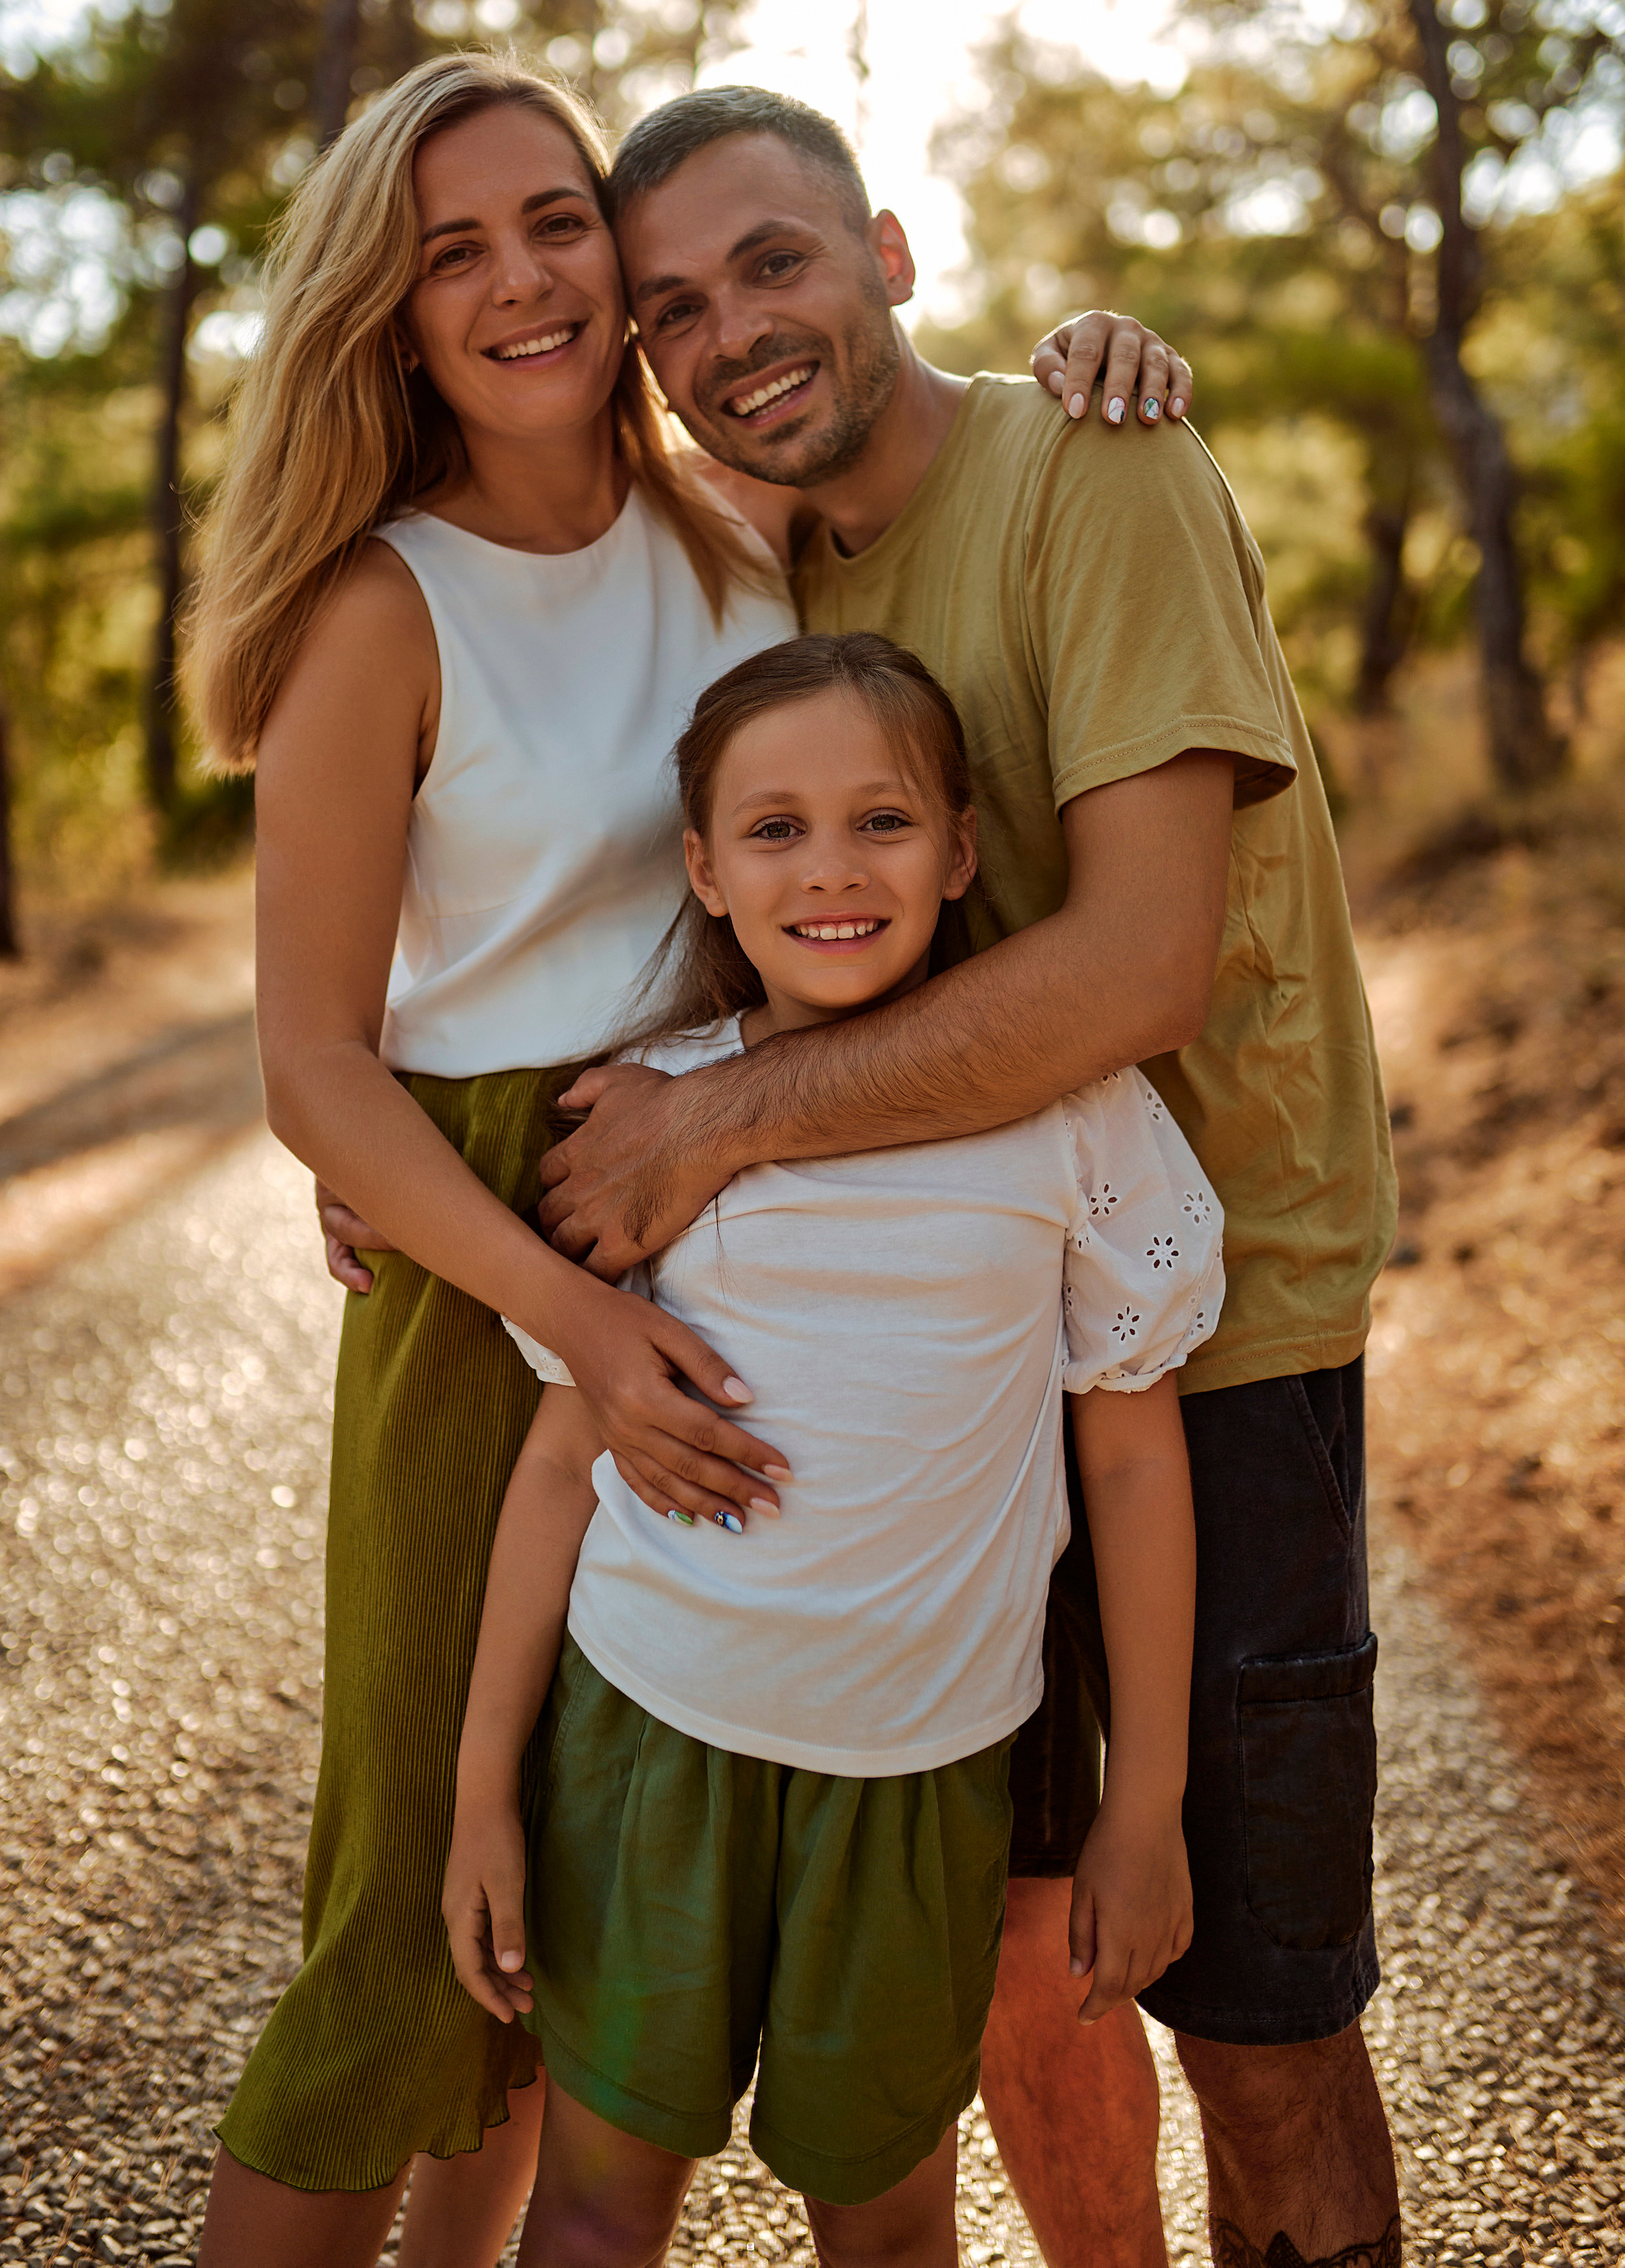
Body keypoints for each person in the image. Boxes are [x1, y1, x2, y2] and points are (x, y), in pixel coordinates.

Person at [185, 46, 1182, 2268]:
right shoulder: (383, 608)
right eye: (457, 251)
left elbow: (925, 503)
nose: (527, 281)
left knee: (534, 1973)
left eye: (560, 228)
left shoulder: (733, 536)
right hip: (503, 1268)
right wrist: (566, 1308)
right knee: (392, 1946)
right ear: (392, 308)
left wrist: (1090, 354)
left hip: (718, 1184)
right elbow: (312, 1065)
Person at [531, 87, 1402, 2268]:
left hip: (1213, 1343)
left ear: (896, 252)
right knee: (1027, 1962)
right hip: (944, 1364)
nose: (734, 329)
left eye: (776, 262)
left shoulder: (1088, 465)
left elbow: (1142, 960)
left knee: (1256, 2011)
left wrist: (709, 1126)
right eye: (675, 308)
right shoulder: (773, 566)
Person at [442, 631, 1222, 2268]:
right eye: (773, 829)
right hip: (648, 1741)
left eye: (880, 822)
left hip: (923, 1773)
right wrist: (478, 1795)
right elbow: (554, 1467)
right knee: (593, 2208)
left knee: (882, 2220)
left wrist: (1138, 1802)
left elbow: (1134, 1466)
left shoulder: (1074, 1112)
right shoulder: (648, 1115)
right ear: (704, 873)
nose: (831, 869)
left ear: (961, 851)